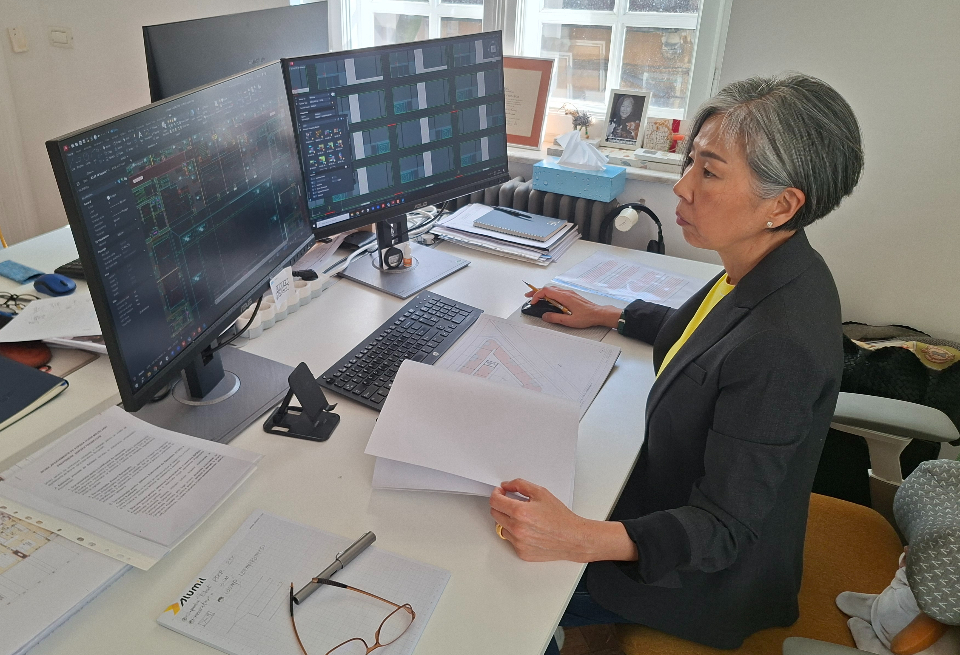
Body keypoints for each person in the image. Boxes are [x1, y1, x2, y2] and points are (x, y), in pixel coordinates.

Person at [489, 73, 865, 650]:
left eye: (709, 172)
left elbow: (724, 531)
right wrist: (609, 313)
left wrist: (578, 537)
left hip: (700, 577)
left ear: (783, 204)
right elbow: (709, 335)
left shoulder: (780, 347)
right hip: (669, 498)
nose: (682, 187)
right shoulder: (771, 267)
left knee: (501, 582)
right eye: (691, 162)